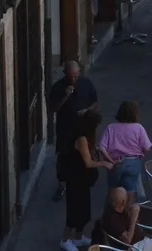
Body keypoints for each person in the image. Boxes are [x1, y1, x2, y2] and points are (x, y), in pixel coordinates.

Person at [60, 111, 112, 251]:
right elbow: (88, 163)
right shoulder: (81, 139)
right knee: (74, 210)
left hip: (83, 180)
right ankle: (65, 239)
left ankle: (78, 237)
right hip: (75, 179)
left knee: (83, 210)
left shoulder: (87, 137)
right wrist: (104, 164)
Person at [49, 60, 99, 202]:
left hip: (84, 128)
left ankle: (83, 179)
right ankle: (61, 184)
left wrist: (86, 111)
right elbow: (52, 108)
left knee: (85, 154)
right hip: (66, 129)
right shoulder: (58, 87)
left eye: (76, 75)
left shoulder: (86, 83)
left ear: (79, 73)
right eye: (71, 76)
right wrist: (65, 96)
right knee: (63, 156)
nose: (73, 79)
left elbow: (95, 103)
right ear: (65, 74)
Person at [98, 101, 152, 203]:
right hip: (133, 163)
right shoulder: (138, 128)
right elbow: (147, 148)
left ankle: (110, 214)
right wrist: (141, 156)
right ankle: (127, 215)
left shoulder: (111, 127)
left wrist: (110, 161)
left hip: (115, 163)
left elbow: (102, 148)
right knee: (130, 192)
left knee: (113, 191)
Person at [100, 187, 152, 251]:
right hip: (136, 247)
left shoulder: (114, 209)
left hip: (143, 242)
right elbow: (127, 240)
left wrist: (129, 212)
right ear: (122, 202)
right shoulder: (113, 219)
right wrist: (134, 218)